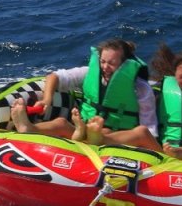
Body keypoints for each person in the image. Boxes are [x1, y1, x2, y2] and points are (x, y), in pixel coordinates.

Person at [74, 43, 182, 161]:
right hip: (164, 154)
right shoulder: (160, 92)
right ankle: (99, 138)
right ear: (174, 75)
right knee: (142, 131)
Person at [10, 38, 158, 139]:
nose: (105, 67)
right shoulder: (90, 73)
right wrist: (47, 99)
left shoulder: (140, 88)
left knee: (105, 132)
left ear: (125, 64)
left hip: (116, 135)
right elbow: (54, 77)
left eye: (111, 63)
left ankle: (87, 136)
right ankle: (28, 128)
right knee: (61, 122)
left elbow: (149, 127)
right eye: (102, 62)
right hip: (85, 127)